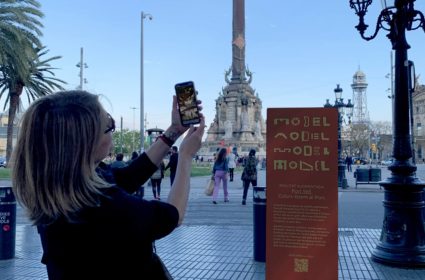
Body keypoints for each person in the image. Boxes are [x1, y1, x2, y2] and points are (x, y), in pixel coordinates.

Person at [11, 90, 205, 279]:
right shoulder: (105, 208)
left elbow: (130, 176)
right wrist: (185, 156)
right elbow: (172, 215)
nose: (113, 129)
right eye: (108, 124)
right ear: (86, 142)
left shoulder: (60, 190)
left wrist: (174, 131)